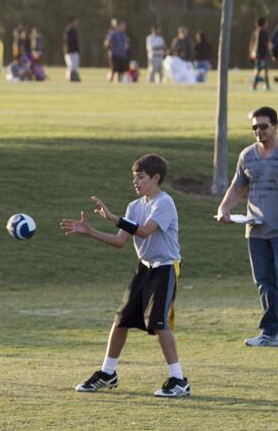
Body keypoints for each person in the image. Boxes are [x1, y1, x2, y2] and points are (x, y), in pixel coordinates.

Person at [59, 154, 189, 398]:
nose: (135, 182)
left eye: (140, 177)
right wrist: (90, 231)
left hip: (165, 267)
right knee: (121, 321)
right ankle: (108, 374)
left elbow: (143, 231)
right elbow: (121, 241)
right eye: (134, 177)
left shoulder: (164, 203)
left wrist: (112, 217)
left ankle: (179, 380)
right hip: (144, 268)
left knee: (159, 325)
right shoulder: (134, 206)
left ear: (156, 178)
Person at [216, 107, 278, 348]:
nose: (259, 131)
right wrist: (224, 209)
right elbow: (238, 188)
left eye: (264, 126)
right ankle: (270, 333)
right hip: (255, 230)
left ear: (276, 126)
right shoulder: (247, 156)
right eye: (255, 127)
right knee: (264, 282)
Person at [250, 17, 271, 91]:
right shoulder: (263, 32)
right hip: (262, 55)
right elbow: (267, 44)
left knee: (258, 70)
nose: (267, 24)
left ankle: (256, 86)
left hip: (256, 54)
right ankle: (265, 86)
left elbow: (251, 44)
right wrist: (271, 53)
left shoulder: (255, 32)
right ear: (264, 23)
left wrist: (251, 54)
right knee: (263, 71)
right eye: (266, 23)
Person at [64, 17, 81, 82]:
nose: (75, 23)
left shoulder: (75, 31)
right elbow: (67, 42)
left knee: (75, 66)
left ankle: (74, 78)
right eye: (74, 22)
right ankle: (69, 77)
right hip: (70, 52)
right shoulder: (68, 31)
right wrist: (68, 50)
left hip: (75, 51)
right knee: (70, 66)